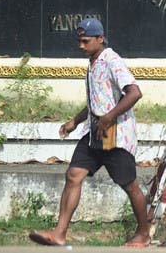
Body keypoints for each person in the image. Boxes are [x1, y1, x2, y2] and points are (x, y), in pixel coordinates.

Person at [29, 18, 151, 247]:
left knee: (129, 184)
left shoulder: (111, 60)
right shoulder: (93, 62)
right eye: (79, 41)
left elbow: (134, 93)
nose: (81, 46)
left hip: (115, 135)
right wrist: (75, 121)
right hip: (94, 132)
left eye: (86, 41)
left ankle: (144, 233)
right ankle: (59, 233)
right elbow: (97, 100)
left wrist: (108, 117)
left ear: (100, 38)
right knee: (74, 175)